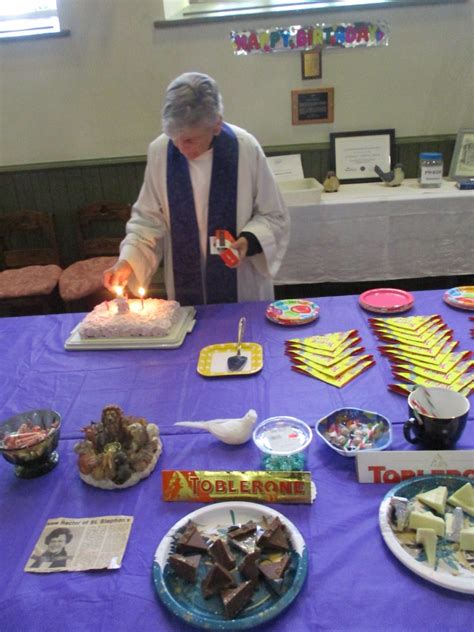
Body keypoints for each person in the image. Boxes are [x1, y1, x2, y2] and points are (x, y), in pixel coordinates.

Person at [103, 72, 290, 305]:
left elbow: (274, 215)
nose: (180, 148)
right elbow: (148, 221)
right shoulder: (161, 151)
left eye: (189, 140)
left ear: (216, 125)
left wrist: (249, 240)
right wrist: (128, 261)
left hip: (240, 286)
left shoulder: (245, 148)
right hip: (186, 288)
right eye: (175, 138)